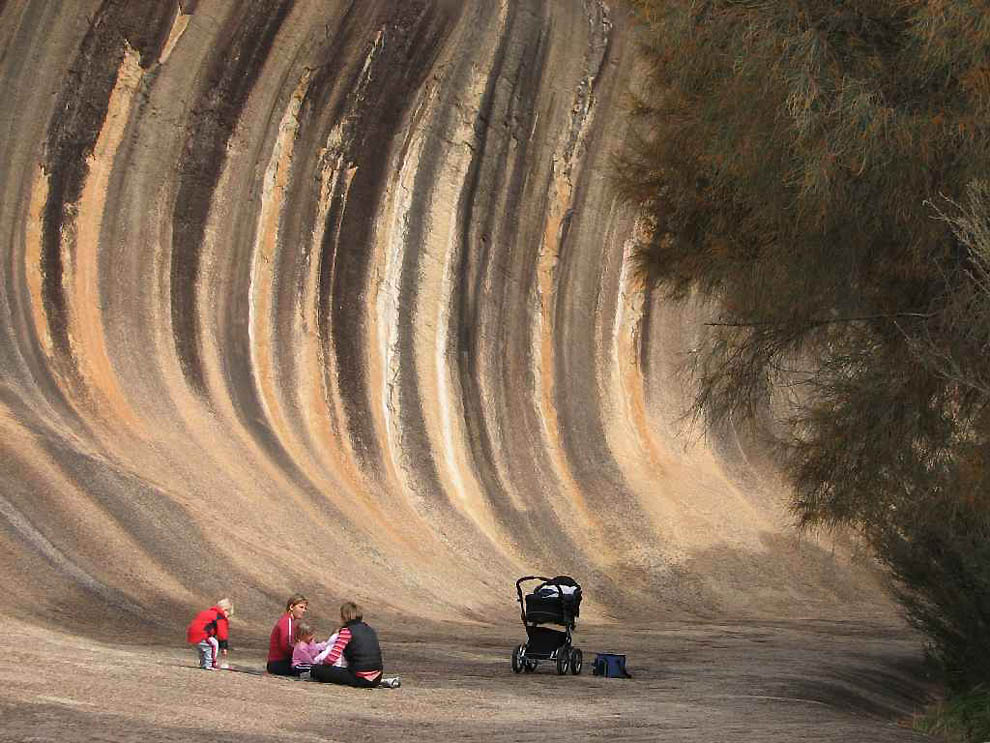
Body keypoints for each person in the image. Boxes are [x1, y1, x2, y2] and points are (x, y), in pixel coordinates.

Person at [310, 601, 399, 688]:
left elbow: (332, 658)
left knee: (316, 670)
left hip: (359, 677)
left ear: (344, 617)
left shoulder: (346, 631)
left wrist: (322, 664)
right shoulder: (369, 629)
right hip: (377, 676)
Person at [267, 593, 308, 676]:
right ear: (291, 607)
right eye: (301, 607)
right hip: (279, 663)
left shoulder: (291, 622)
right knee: (311, 668)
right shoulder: (287, 621)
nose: (304, 611)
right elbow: (286, 645)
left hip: (279, 662)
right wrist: (301, 653)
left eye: (305, 608)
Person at [186, 598, 233, 670]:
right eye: (228, 615)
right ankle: (210, 664)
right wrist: (224, 647)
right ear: (225, 610)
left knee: (204, 649)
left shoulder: (208, 612)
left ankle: (204, 663)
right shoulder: (219, 617)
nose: (227, 617)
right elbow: (222, 633)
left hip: (192, 634)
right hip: (202, 634)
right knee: (213, 644)